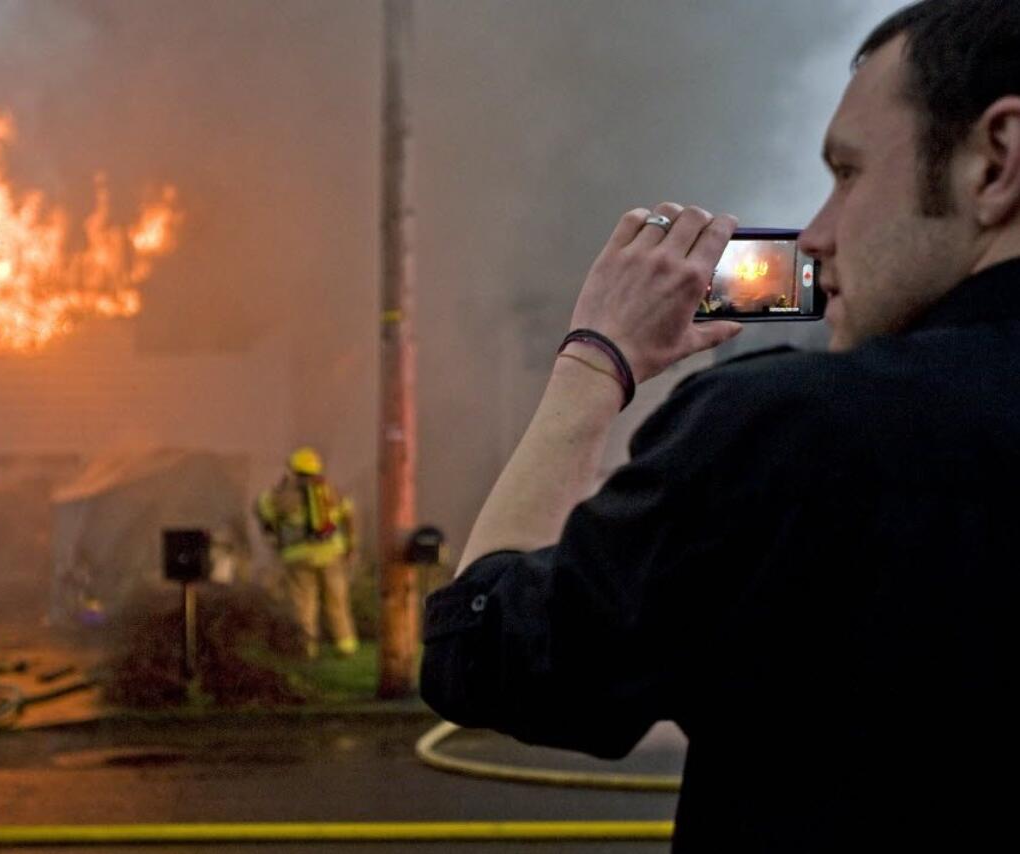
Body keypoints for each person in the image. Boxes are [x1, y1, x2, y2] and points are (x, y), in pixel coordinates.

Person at [420, 1, 1020, 849]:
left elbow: (485, 657)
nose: (815, 234)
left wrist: (595, 362)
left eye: (847, 174)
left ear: (996, 161)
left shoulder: (791, 430)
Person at [255, 447, 359, 658]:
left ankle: (308, 649)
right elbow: (350, 516)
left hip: (298, 556)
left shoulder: (281, 496)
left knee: (304, 603)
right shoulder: (332, 492)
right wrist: (351, 547)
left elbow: (261, 509)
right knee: (337, 601)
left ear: (293, 469)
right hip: (331, 554)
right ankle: (346, 646)